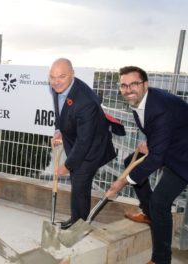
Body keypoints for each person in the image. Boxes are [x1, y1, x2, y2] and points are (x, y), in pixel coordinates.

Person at [107, 66, 188, 264]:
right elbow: (163, 130)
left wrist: (122, 182)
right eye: (124, 85)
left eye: (133, 84)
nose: (128, 89)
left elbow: (156, 158)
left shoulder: (160, 108)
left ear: (145, 84)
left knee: (160, 203)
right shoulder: (140, 101)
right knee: (131, 163)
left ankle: (161, 260)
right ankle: (150, 214)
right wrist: (151, 143)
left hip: (184, 157)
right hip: (174, 144)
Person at [49, 58, 116, 229]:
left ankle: (79, 225)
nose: (56, 82)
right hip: (78, 141)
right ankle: (77, 219)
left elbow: (84, 141)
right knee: (78, 184)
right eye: (52, 77)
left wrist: (68, 165)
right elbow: (61, 113)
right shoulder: (59, 87)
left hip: (92, 148)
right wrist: (59, 131)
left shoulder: (86, 101)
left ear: (72, 75)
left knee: (79, 184)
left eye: (61, 76)